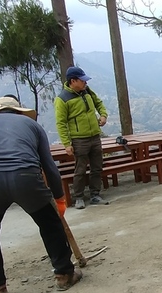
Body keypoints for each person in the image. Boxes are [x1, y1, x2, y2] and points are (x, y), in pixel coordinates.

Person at [0, 97, 80, 293]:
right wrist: (59, 198)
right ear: (18, 111)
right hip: (26, 178)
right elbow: (49, 166)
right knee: (50, 225)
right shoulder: (31, 124)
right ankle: (64, 275)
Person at [54, 66, 109, 210]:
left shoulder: (87, 91)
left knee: (97, 167)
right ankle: (79, 197)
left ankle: (95, 194)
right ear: (73, 81)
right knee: (80, 169)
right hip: (79, 140)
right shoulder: (62, 99)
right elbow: (61, 123)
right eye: (82, 80)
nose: (85, 83)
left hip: (95, 136)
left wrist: (103, 115)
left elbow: (99, 103)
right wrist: (66, 144)